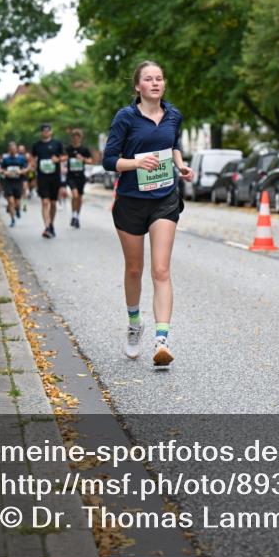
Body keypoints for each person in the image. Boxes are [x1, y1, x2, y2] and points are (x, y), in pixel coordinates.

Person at [102, 60, 193, 365]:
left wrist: (180, 165)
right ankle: (133, 324)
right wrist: (136, 163)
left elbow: (173, 146)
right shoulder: (125, 118)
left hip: (164, 199)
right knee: (134, 269)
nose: (155, 83)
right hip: (130, 200)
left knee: (161, 270)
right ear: (138, 86)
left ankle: (161, 341)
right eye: (149, 79)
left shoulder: (173, 115)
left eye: (159, 79)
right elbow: (109, 160)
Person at [30, 124, 64, 238]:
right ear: (41, 132)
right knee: (45, 202)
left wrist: (58, 159)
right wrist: (33, 167)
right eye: (43, 131)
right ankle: (47, 227)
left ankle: (51, 224)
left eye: (47, 130)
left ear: (51, 132)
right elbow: (32, 159)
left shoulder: (57, 144)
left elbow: (65, 157)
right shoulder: (36, 145)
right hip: (42, 177)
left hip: (54, 177)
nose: (45, 132)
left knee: (53, 203)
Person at [65, 128, 91, 229]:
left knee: (79, 198)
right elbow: (62, 157)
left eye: (78, 137)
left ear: (80, 138)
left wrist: (83, 159)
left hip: (81, 177)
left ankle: (77, 217)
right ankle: (73, 215)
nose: (76, 139)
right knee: (75, 195)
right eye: (74, 137)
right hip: (71, 176)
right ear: (72, 138)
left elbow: (90, 160)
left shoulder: (84, 150)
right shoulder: (68, 149)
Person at [0, 142, 28, 227]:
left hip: (18, 182)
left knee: (17, 202)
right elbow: (1, 169)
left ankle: (18, 209)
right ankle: (12, 220)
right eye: (11, 149)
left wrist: (21, 171)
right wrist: (5, 172)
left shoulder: (21, 158)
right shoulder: (5, 159)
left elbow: (26, 168)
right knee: (11, 202)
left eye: (14, 148)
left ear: (16, 149)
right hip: (9, 183)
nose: (12, 150)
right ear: (9, 150)